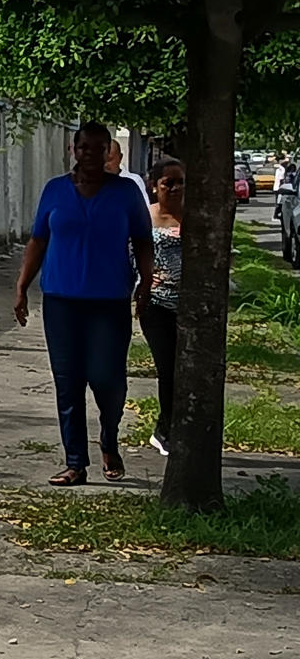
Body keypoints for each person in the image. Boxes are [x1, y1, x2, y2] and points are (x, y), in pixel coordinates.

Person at [13, 123, 153, 485]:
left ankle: (109, 437)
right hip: (61, 301)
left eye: (99, 147)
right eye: (84, 147)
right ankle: (75, 460)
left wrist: (146, 283)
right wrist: (22, 285)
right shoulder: (55, 191)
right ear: (73, 150)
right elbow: (39, 241)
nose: (91, 154)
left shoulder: (124, 193)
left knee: (108, 380)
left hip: (109, 302)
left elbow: (142, 241)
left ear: (109, 151)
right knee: (68, 382)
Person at [138, 157, 184, 456]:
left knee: (187, 370)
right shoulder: (145, 217)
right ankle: (165, 431)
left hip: (190, 307)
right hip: (155, 305)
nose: (176, 188)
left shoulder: (196, 216)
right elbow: (130, 251)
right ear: (155, 186)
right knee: (168, 369)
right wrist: (143, 279)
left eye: (181, 181)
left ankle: (176, 428)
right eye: (169, 182)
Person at [106, 139, 151, 207]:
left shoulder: (134, 181)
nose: (106, 165)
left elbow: (144, 209)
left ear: (120, 158)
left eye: (109, 160)